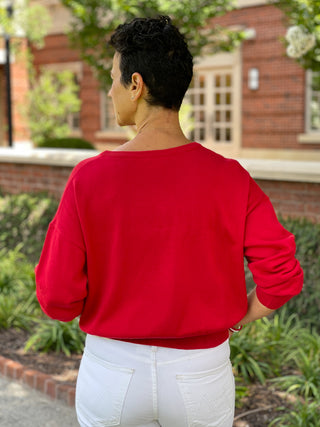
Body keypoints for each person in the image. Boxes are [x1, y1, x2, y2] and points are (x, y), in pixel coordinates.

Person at [35, 16, 303, 427]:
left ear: (136, 84)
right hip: (201, 372)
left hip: (113, 371)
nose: (110, 90)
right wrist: (237, 319)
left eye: (113, 79)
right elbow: (281, 277)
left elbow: (57, 298)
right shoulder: (230, 177)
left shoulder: (89, 179)